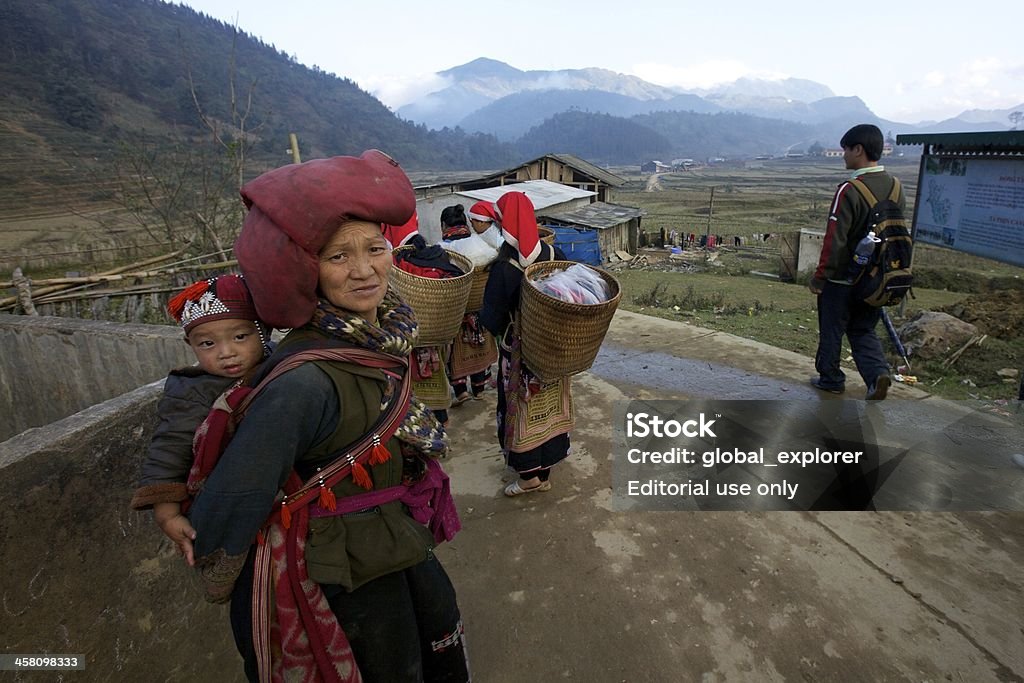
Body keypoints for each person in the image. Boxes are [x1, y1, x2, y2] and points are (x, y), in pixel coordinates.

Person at [188, 151, 468, 682]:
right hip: (342, 579)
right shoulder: (304, 381)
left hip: (391, 546)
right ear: (302, 271)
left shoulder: (382, 335)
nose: (364, 270)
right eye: (338, 256)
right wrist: (219, 560)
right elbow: (239, 489)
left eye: (375, 249)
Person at [130, 274, 272, 566]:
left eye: (240, 337)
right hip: (228, 501)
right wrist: (167, 514)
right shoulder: (191, 393)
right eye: (207, 343)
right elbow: (169, 449)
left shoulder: (280, 368)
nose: (226, 352)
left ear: (263, 331)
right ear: (190, 344)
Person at [479, 191, 574, 497]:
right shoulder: (554, 254)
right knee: (548, 405)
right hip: (553, 349)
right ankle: (544, 471)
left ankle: (529, 476)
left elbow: (491, 317)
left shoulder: (505, 266)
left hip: (519, 354)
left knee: (520, 406)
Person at [810, 124, 903, 400]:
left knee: (832, 329)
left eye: (846, 150)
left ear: (858, 150)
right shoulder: (897, 188)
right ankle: (876, 376)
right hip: (876, 278)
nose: (843, 156)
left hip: (842, 279)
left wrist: (821, 276)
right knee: (863, 329)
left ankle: (831, 378)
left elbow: (834, 238)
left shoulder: (849, 189)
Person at [442, 202, 496, 403]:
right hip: (480, 309)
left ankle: (461, 391)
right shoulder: (483, 245)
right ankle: (479, 388)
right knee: (480, 346)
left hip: (457, 311)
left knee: (456, 350)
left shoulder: (442, 249)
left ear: (443, 226)